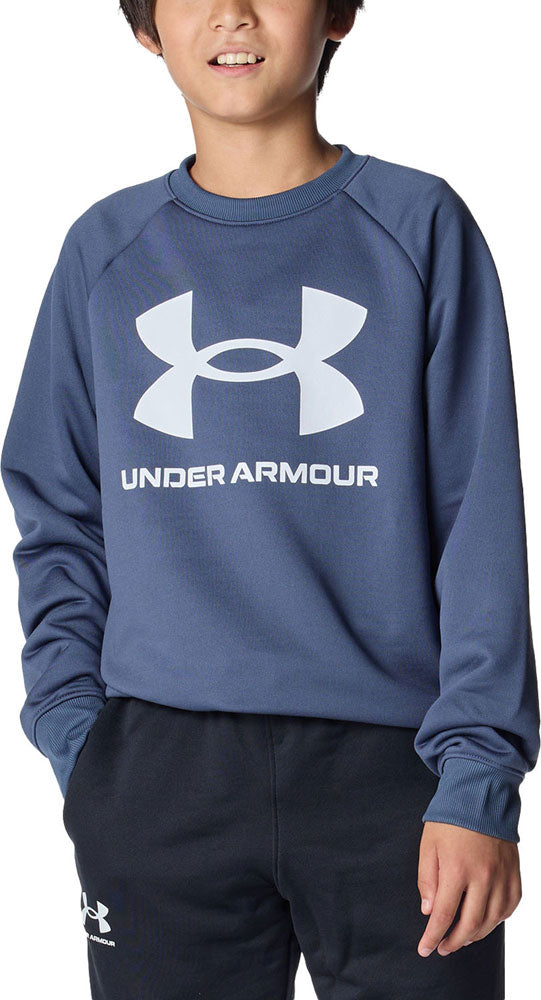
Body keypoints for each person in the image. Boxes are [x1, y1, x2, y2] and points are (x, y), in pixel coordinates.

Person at [1, 1, 539, 998]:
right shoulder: (105, 250)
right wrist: (83, 742)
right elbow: (58, 515)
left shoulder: (418, 226)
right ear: (146, 28)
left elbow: (479, 525)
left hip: (399, 775)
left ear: (337, 14)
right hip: (157, 772)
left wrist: (476, 778)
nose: (232, 13)